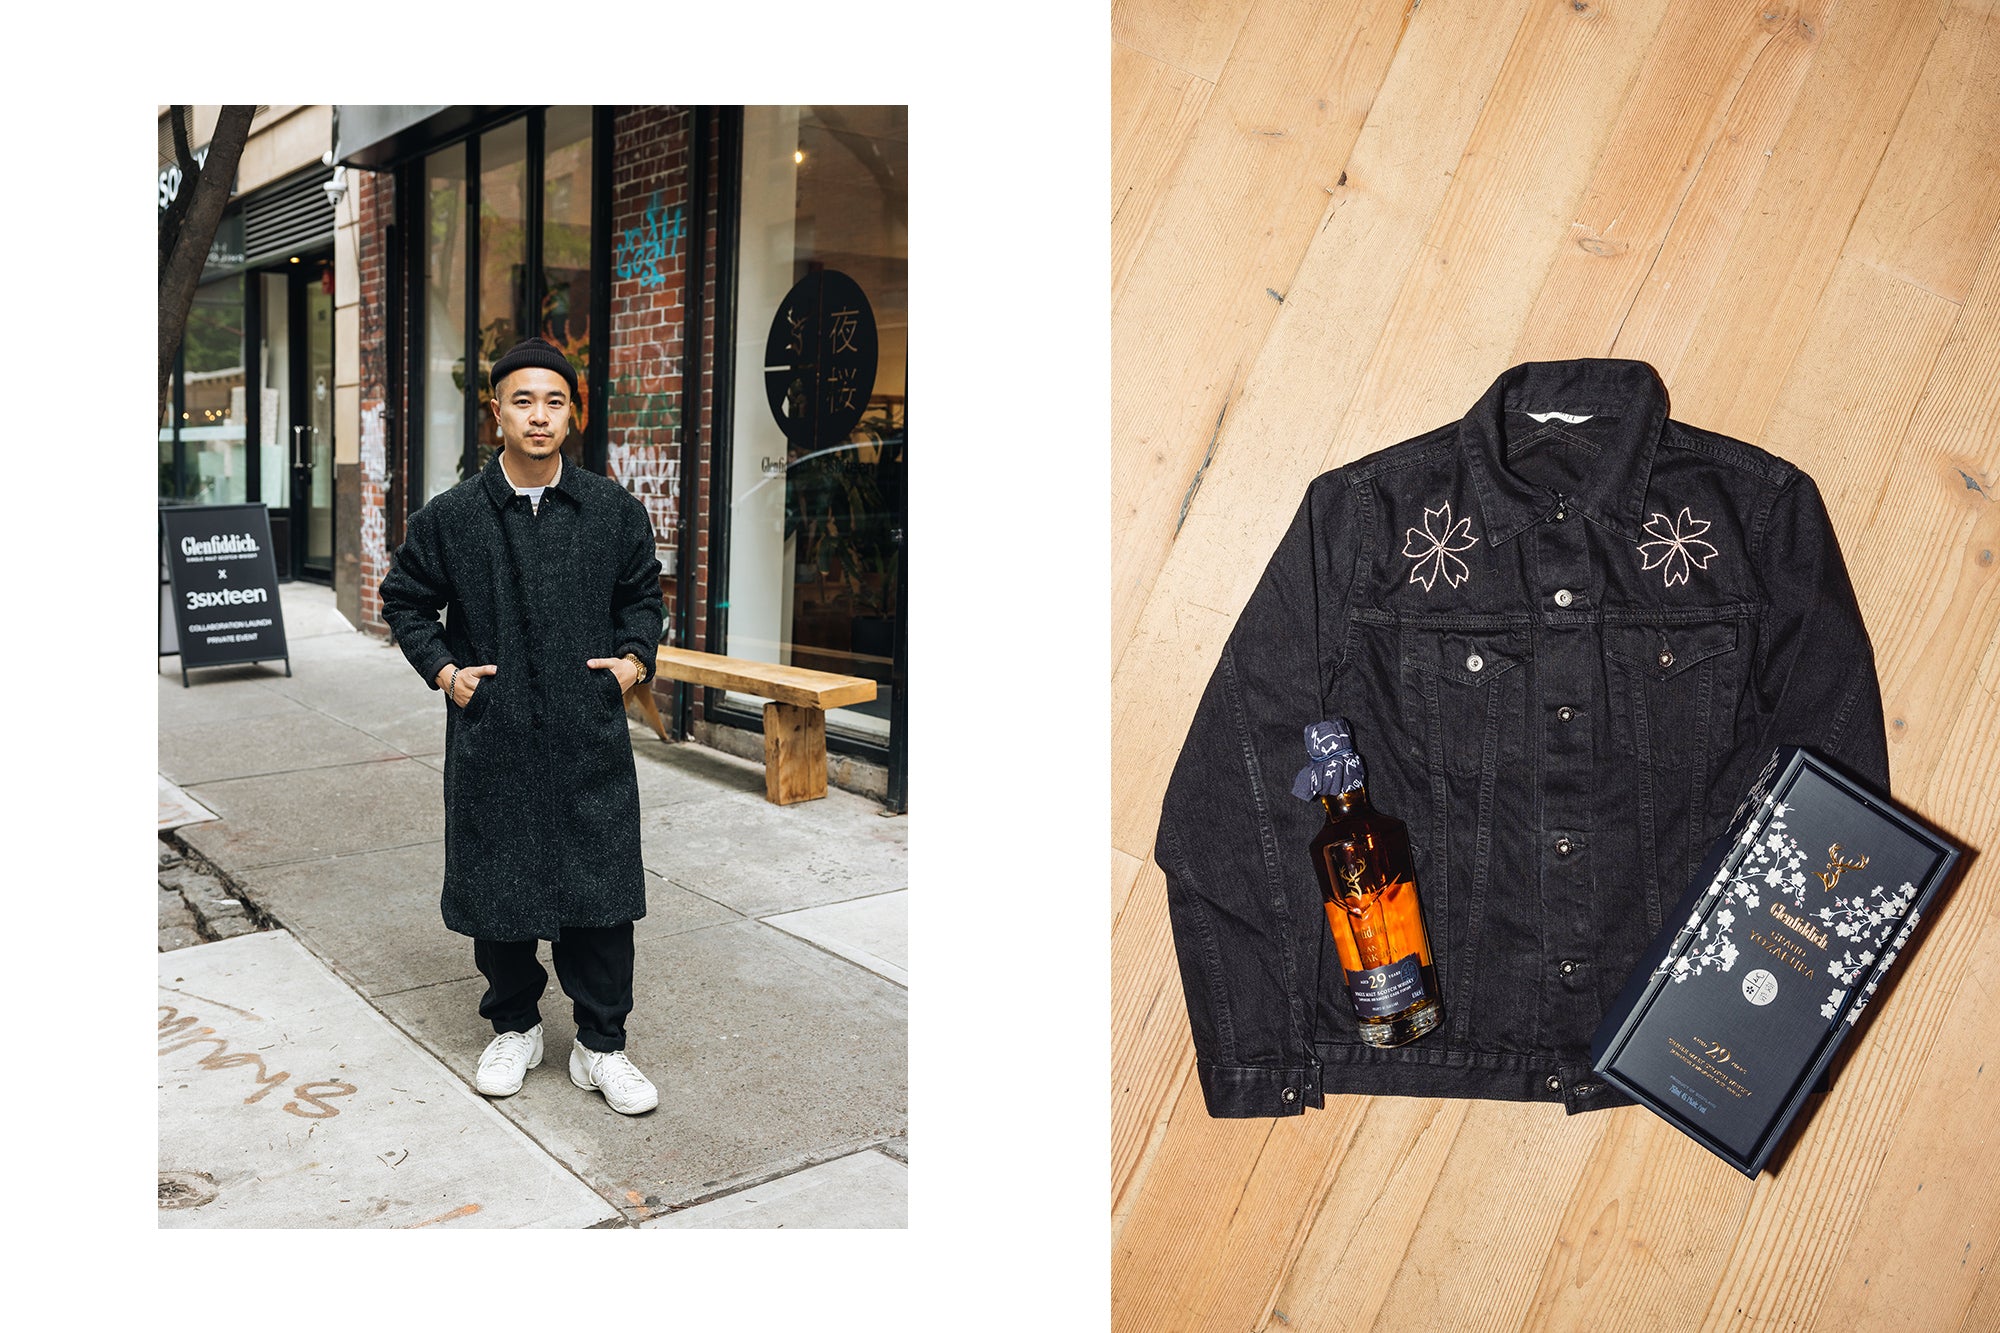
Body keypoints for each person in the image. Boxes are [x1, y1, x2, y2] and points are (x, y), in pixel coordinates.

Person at [379, 335, 665, 1115]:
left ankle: (603, 1047)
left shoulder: (612, 511)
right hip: (495, 737)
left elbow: (643, 595)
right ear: (496, 412)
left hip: (587, 739)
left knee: (602, 900)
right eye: (523, 400)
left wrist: (636, 661)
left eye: (555, 401)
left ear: (573, 415)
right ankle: (515, 1026)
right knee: (499, 898)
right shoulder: (453, 518)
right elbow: (403, 597)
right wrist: (446, 671)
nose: (539, 416)